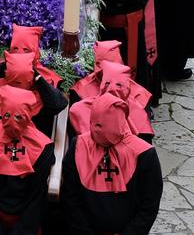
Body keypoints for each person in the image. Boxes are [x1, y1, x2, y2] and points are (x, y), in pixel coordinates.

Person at [60, 93, 163, 235]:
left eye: (104, 126)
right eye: (96, 125)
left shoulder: (144, 154)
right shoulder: (78, 146)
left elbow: (150, 203)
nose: (97, 130)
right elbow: (70, 196)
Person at [0, 84, 54, 234]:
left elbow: (37, 197)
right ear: (1, 112)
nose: (12, 122)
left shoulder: (43, 147)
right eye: (7, 115)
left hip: (26, 221)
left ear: (28, 115)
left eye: (18, 116)